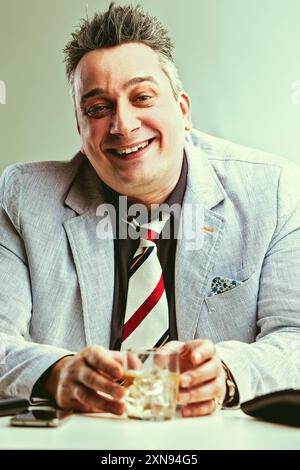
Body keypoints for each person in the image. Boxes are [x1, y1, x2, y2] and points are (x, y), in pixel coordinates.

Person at [1, 2, 300, 419]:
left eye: (142, 96)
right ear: (80, 128)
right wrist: (55, 372)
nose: (123, 124)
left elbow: (294, 335)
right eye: (97, 108)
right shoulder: (23, 198)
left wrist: (229, 372)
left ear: (182, 109)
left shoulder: (273, 190)